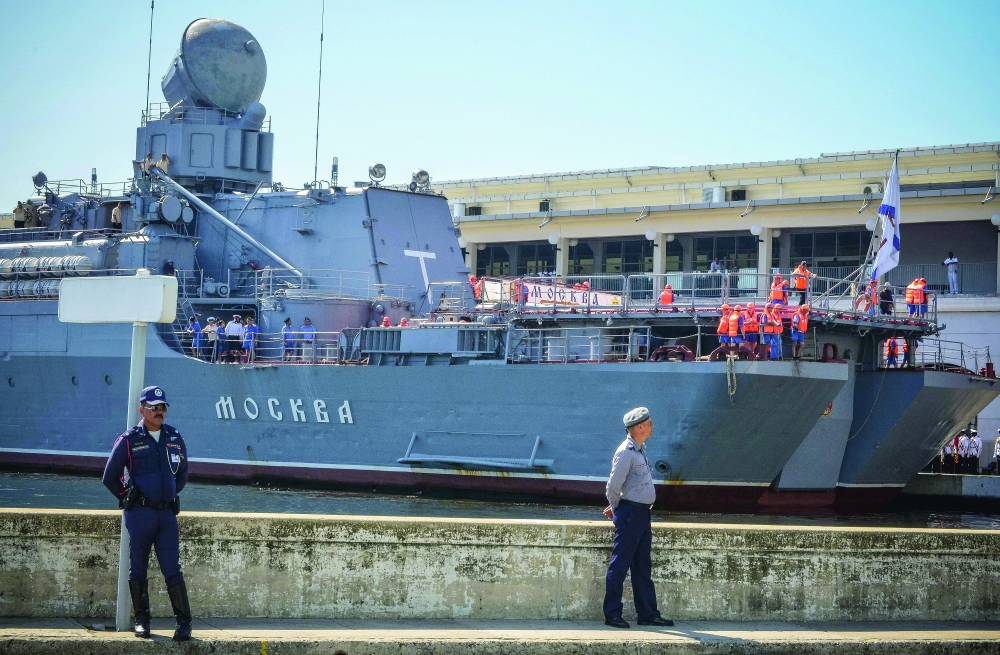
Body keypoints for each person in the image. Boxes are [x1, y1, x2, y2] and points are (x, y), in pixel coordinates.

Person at [101, 386, 192, 641]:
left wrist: (169, 492)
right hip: (140, 514)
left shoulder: (174, 437)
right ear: (142, 410)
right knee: (137, 568)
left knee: (172, 568)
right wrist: (126, 496)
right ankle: (142, 622)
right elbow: (109, 476)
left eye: (163, 407)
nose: (160, 411)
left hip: (166, 517)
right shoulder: (129, 440)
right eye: (154, 408)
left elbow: (182, 473)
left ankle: (184, 624)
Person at [602, 407, 673, 629]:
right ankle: (612, 614)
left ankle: (648, 613)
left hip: (642, 513)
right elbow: (613, 486)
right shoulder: (626, 452)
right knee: (620, 564)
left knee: (643, 566)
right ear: (639, 427)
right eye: (650, 423)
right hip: (631, 513)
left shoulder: (639, 450)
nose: (653, 426)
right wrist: (618, 509)